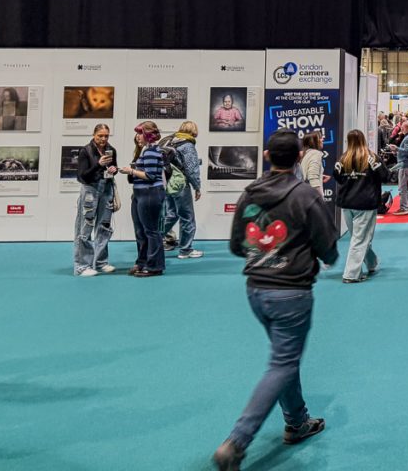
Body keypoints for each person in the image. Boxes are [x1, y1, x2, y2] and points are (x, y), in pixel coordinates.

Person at [213, 131, 339, 470]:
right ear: (299, 157)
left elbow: (237, 245)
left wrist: (265, 253)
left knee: (286, 358)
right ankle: (236, 442)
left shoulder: (250, 193)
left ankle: (297, 421)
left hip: (256, 290)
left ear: (267, 155)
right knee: (282, 363)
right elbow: (328, 246)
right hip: (292, 292)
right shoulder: (305, 196)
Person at [333, 130, 388, 283]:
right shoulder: (372, 158)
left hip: (346, 202)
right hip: (365, 202)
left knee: (358, 237)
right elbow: (385, 176)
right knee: (360, 239)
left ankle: (372, 263)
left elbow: (337, 176)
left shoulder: (343, 159)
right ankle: (351, 274)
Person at [119, 121, 166, 277]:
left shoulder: (152, 152)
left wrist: (131, 171)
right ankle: (142, 262)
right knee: (141, 231)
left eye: (140, 133)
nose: (137, 137)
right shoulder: (146, 151)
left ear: (147, 135)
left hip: (150, 193)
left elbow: (151, 176)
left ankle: (154, 267)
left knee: (151, 231)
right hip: (141, 194)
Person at [73, 123, 119, 276]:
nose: (103, 139)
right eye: (100, 136)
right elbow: (82, 176)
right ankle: (82, 266)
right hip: (90, 191)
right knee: (85, 228)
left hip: (106, 189)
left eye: (106, 136)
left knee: (104, 227)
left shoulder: (111, 150)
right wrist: (98, 165)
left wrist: (114, 170)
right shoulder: (85, 151)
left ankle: (100, 262)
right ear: (94, 135)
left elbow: (114, 169)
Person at [161, 121, 204, 259]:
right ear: (193, 132)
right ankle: (186, 250)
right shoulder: (188, 145)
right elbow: (191, 170)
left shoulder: (170, 141)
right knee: (187, 217)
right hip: (180, 184)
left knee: (171, 214)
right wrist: (197, 187)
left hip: (167, 183)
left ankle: (152, 238)